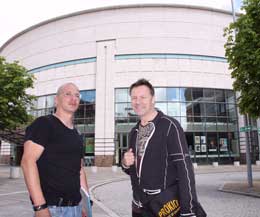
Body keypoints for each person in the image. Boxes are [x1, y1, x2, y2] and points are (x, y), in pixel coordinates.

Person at [122, 79, 199, 217]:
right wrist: (125, 164)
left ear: (153, 99)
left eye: (143, 97)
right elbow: (135, 171)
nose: (137, 102)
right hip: (140, 206)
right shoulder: (134, 132)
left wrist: (188, 211)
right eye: (134, 98)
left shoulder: (170, 126)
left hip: (166, 206)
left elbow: (184, 169)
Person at [21, 82, 89, 217]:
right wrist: (40, 207)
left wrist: (86, 204)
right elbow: (28, 162)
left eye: (77, 95)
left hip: (76, 208)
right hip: (53, 209)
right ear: (56, 100)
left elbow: (79, 169)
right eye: (68, 94)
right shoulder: (44, 124)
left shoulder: (77, 135)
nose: (73, 98)